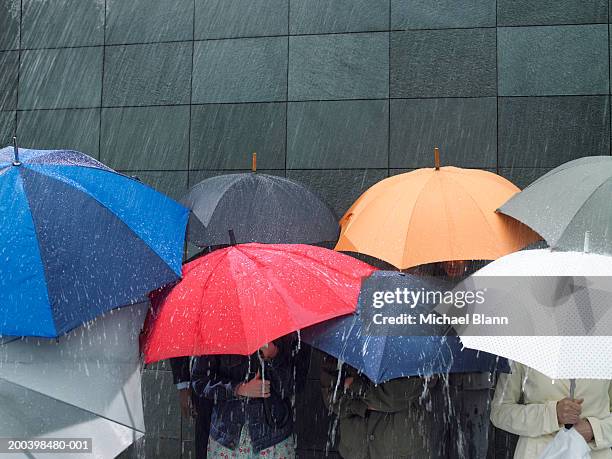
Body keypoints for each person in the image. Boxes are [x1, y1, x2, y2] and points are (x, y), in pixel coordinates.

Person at [412, 259, 494, 458]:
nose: (452, 263)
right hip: (434, 384)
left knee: (471, 448)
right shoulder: (428, 284)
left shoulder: (485, 281)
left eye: (458, 258)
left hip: (472, 384)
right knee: (431, 447)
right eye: (447, 259)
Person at [191, 336, 296, 458]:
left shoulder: (284, 332)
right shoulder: (216, 332)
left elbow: (292, 386)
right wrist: (239, 389)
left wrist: (273, 356)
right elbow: (200, 381)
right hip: (227, 437)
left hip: (273, 438)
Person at [319, 352, 430, 458]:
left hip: (399, 448)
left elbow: (407, 391)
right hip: (354, 448)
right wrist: (362, 406)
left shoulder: (421, 340)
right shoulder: (346, 337)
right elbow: (331, 394)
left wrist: (357, 387)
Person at [491, 362, 612, 458]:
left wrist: (595, 430)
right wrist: (552, 414)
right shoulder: (525, 342)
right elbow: (500, 410)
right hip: (537, 453)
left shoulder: (607, 345)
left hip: (594, 453)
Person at [171, 356, 213, 459]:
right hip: (203, 383)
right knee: (204, 441)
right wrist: (183, 385)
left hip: (238, 381)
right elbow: (180, 342)